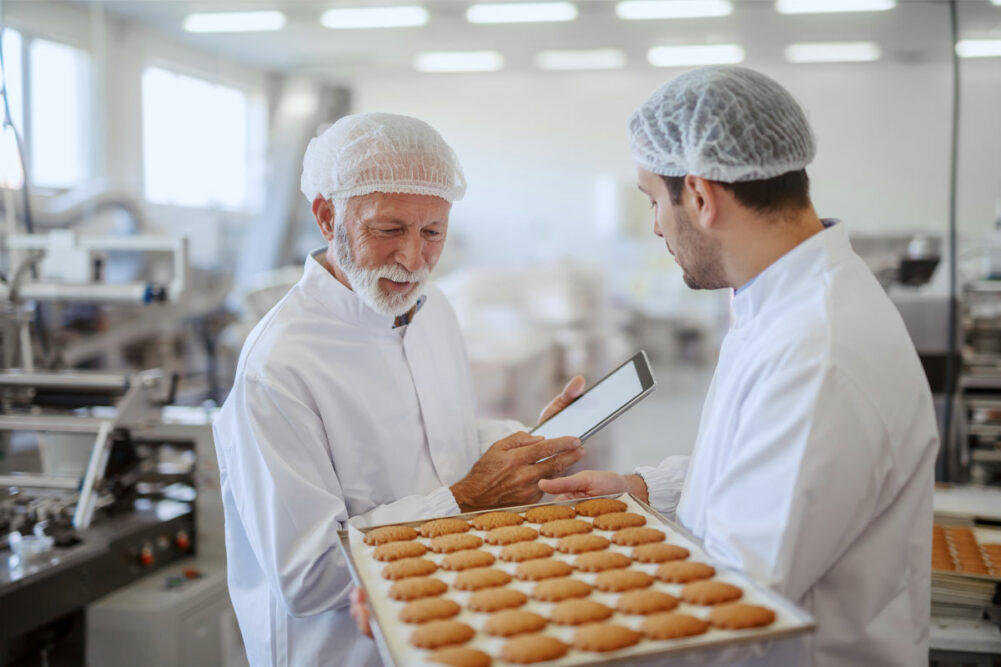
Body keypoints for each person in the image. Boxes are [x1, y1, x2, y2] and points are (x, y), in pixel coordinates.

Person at [538, 66, 938, 666]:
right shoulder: (782, 302)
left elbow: (727, 618)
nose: (654, 226)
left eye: (653, 201)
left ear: (699, 196)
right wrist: (645, 491)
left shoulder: (815, 352)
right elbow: (764, 463)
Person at [213, 112, 586, 667]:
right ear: (325, 216)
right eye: (388, 230)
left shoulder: (432, 311)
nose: (413, 260)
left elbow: (439, 439)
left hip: (451, 628)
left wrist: (526, 446)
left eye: (433, 232)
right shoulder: (280, 367)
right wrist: (467, 499)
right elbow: (306, 578)